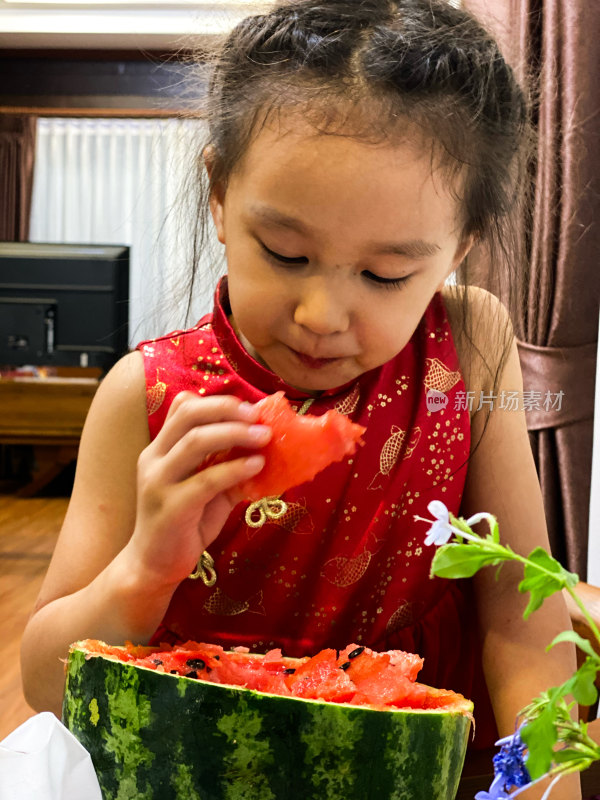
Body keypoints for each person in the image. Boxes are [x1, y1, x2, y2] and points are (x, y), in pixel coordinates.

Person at [21, 1, 580, 797]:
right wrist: (146, 567)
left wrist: (546, 782)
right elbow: (47, 683)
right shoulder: (147, 396)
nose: (321, 319)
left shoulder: (470, 343)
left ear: (457, 247)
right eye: (285, 253)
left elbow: (520, 612)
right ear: (218, 195)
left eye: (386, 275)